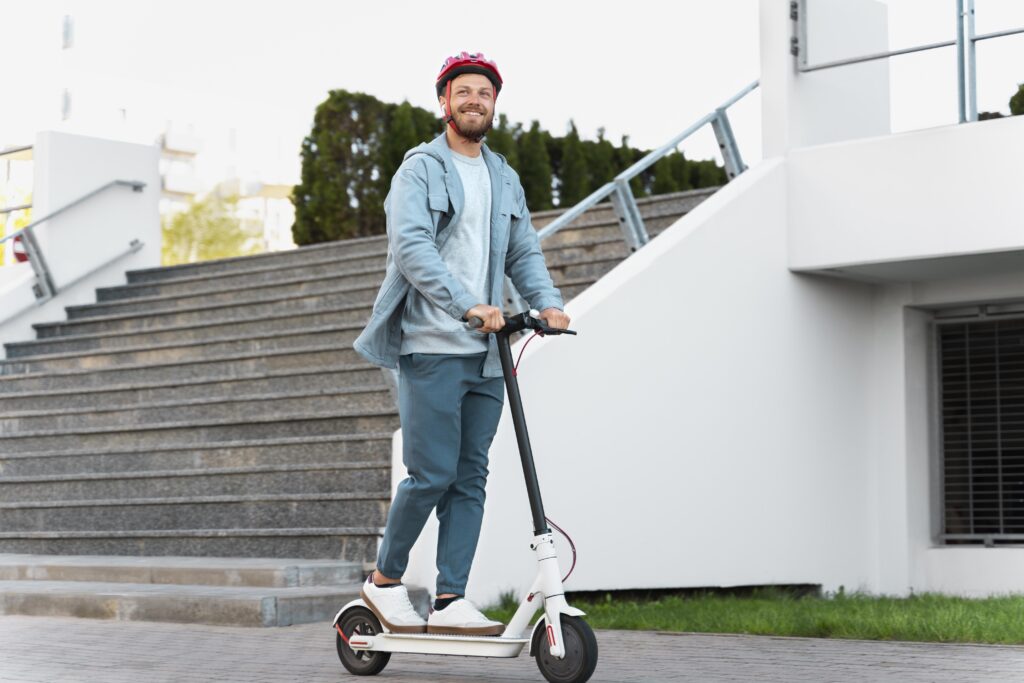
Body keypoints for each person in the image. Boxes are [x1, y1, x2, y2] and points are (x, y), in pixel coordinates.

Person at [352, 51, 570, 636]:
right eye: (464, 92)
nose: (475, 101)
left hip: (487, 356)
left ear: (494, 105)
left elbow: (523, 251)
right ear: (444, 102)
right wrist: (465, 304)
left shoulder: (503, 177)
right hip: (432, 344)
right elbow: (412, 246)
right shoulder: (419, 169)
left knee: (470, 475)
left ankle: (450, 598)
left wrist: (547, 301)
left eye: (485, 93)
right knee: (430, 472)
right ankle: (383, 583)